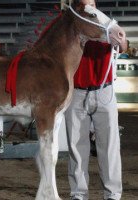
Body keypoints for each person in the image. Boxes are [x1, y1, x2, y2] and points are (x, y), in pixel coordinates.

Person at [65, 0, 122, 199]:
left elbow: (123, 42)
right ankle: (78, 194)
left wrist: (121, 40)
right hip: (77, 92)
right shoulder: (69, 26)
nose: (90, 7)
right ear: (77, 8)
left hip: (104, 90)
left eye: (92, 3)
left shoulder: (104, 23)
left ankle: (112, 194)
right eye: (85, 4)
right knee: (76, 146)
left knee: (109, 147)